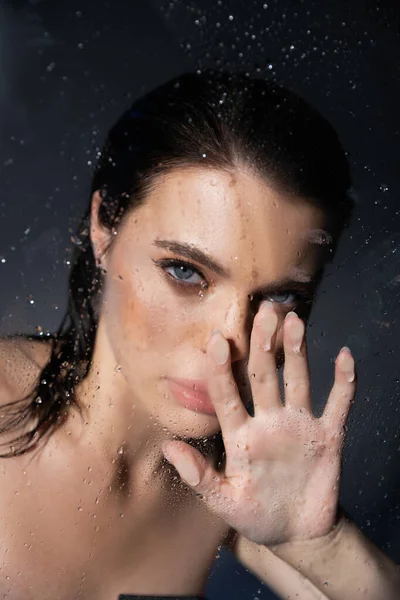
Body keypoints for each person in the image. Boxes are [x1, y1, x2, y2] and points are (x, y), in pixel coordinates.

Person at [0, 70, 398, 600]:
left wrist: (321, 544)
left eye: (281, 298)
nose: (227, 343)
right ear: (104, 226)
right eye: (185, 272)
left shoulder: (236, 484)